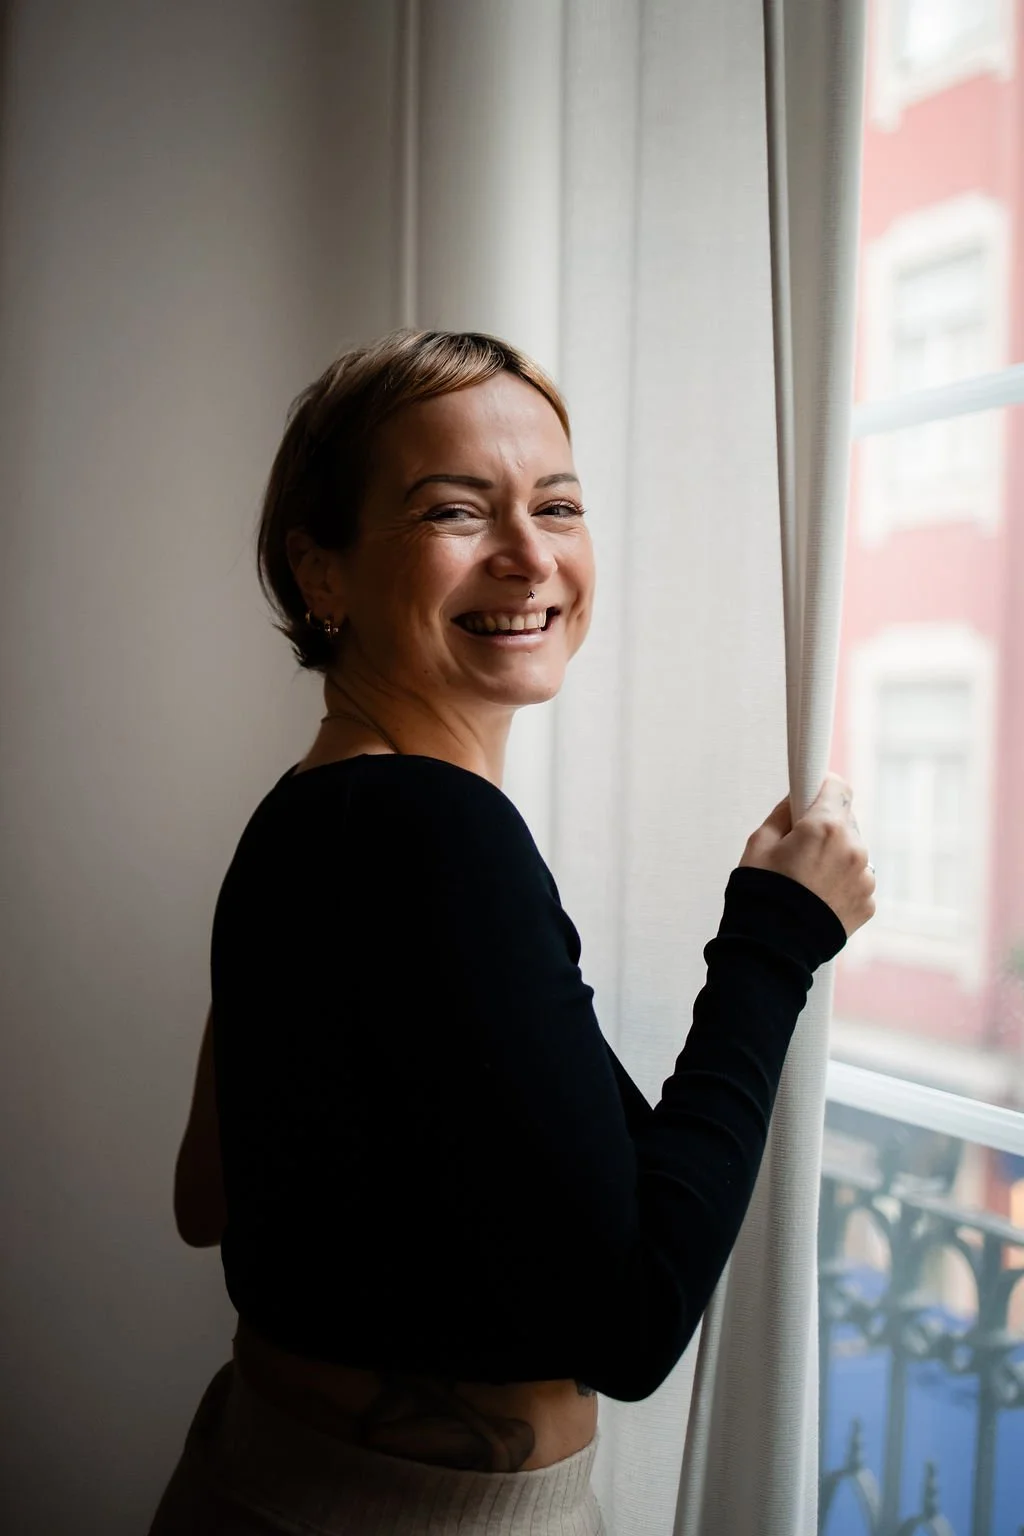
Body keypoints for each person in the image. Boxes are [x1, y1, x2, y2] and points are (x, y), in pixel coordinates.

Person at [148, 328, 875, 1536]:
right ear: (319, 572)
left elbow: (207, 1192)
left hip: (253, 1472)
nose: (530, 554)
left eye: (558, 503)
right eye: (453, 511)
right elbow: (635, 1326)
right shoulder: (436, 834)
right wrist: (776, 938)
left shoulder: (300, 815)